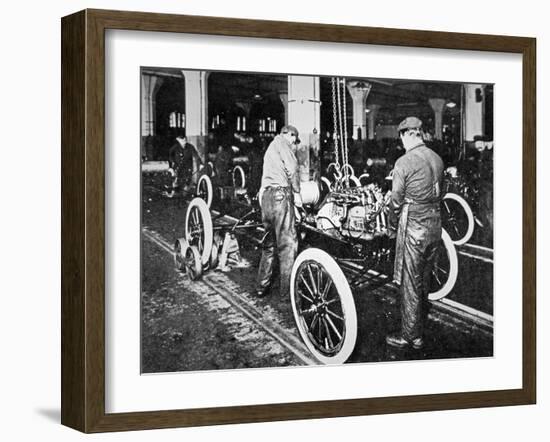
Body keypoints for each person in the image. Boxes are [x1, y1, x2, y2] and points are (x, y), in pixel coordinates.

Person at [387, 117, 444, 350]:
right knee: (424, 279)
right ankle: (418, 326)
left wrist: (391, 227)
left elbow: (396, 200)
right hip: (435, 224)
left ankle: (411, 336)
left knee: (410, 282)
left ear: (405, 135)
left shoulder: (404, 161)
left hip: (414, 225)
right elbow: (443, 191)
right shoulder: (437, 158)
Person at [256, 125, 302, 298]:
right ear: (288, 134)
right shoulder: (283, 144)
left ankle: (261, 286)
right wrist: (297, 193)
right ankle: (287, 293)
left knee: (269, 245)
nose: (294, 143)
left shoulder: (271, 147)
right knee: (288, 245)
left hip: (266, 197)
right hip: (280, 197)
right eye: (294, 139)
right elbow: (293, 169)